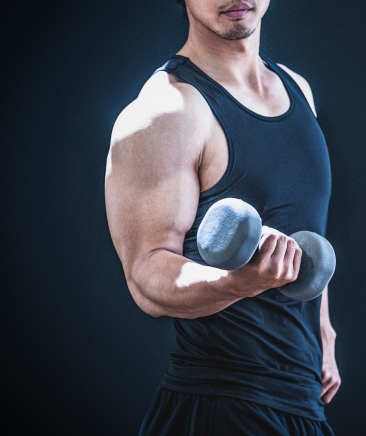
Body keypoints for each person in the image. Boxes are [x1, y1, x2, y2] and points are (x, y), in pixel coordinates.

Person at [104, 0, 340, 434]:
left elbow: (301, 225)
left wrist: (322, 326)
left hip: (303, 404)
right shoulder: (166, 112)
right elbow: (146, 276)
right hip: (220, 407)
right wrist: (237, 283)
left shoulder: (297, 89)